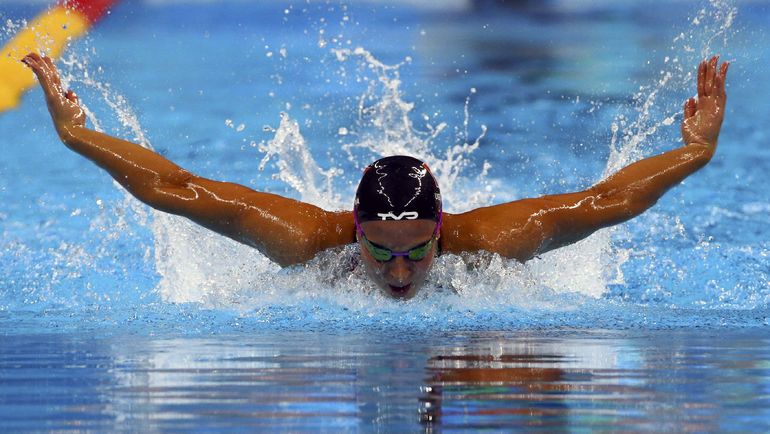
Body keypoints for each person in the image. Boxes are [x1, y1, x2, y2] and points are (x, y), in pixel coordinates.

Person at [21, 52, 729, 300]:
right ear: (354, 228)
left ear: (441, 230)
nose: (397, 273)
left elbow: (607, 200)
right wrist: (76, 135)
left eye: (416, 251)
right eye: (380, 251)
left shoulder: (490, 242)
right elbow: (175, 189)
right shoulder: (306, 240)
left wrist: (695, 154)